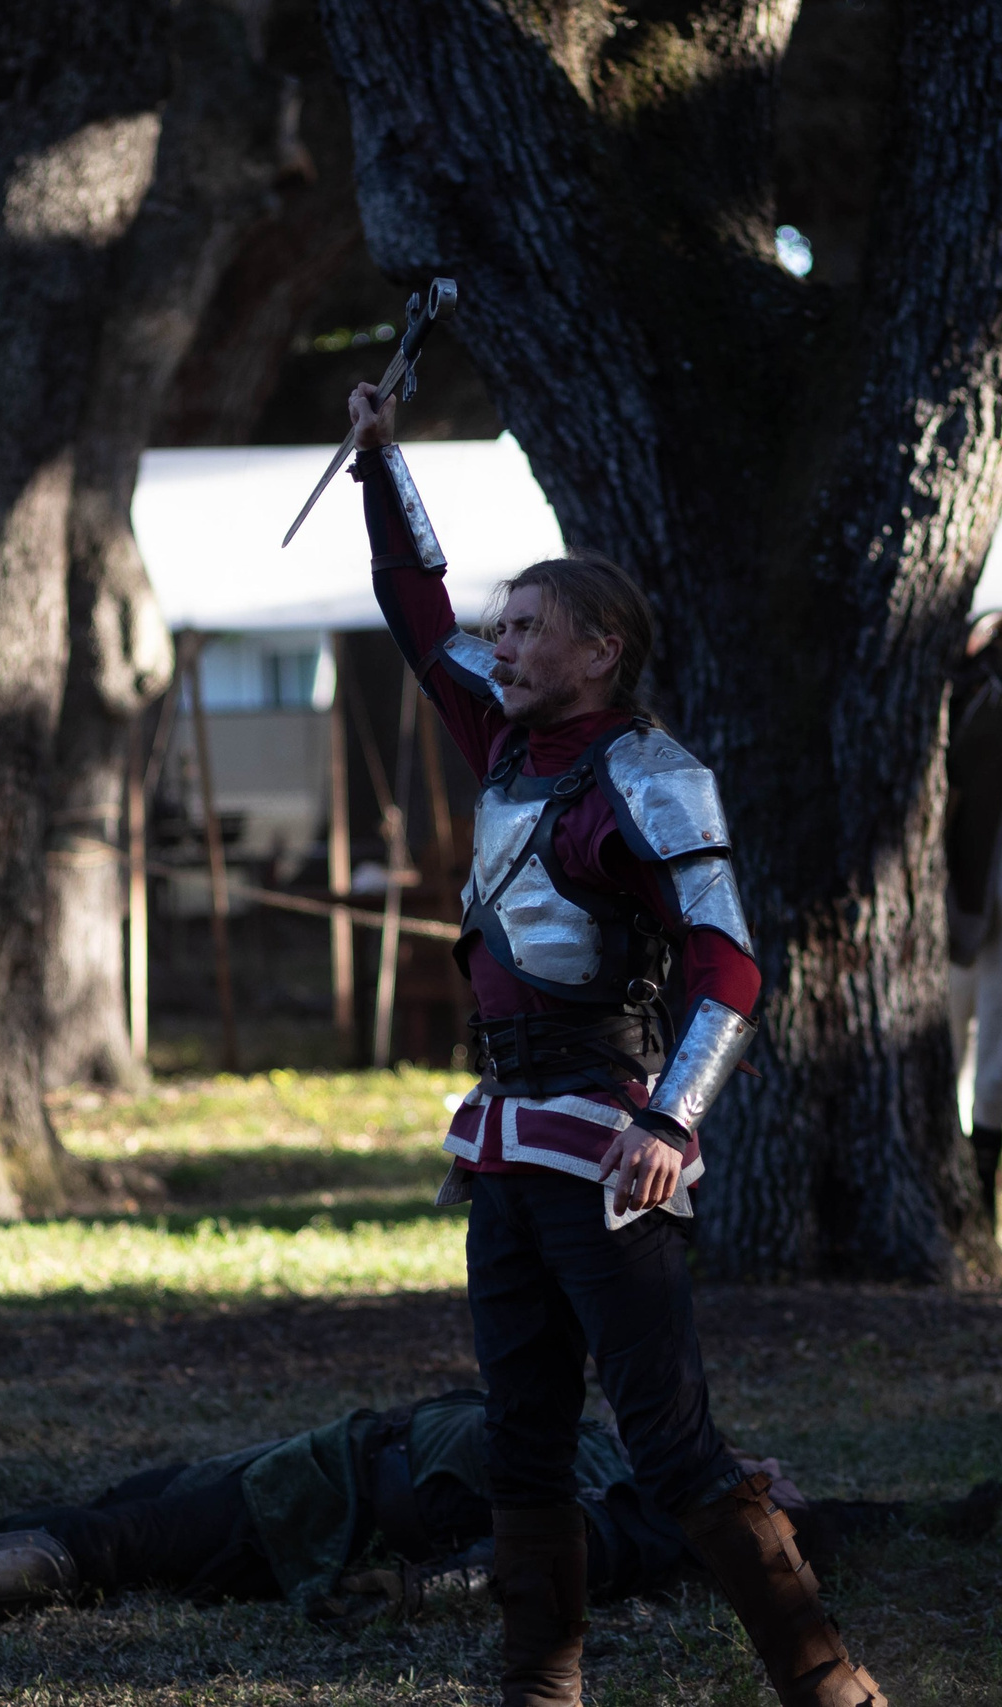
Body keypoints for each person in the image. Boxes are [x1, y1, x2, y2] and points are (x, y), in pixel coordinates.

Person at [347, 382, 884, 1707]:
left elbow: (732, 964)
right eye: (506, 623)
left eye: (529, 626)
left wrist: (670, 1120)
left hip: (604, 1146)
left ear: (599, 648)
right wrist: (380, 467)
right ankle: (540, 1681)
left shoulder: (652, 775)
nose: (502, 642)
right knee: (524, 1440)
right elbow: (420, 618)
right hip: (507, 1150)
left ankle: (827, 1683)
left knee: (672, 1441)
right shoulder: (508, 740)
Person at [0, 1388, 1002, 1630]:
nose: (772, 1472)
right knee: (118, 1515)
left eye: (778, 1491)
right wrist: (940, 1513)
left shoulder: (651, 1518)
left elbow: (549, 1557)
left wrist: (419, 1592)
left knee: (116, 1538)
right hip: (333, 1458)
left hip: (326, 1502)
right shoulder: (645, 1450)